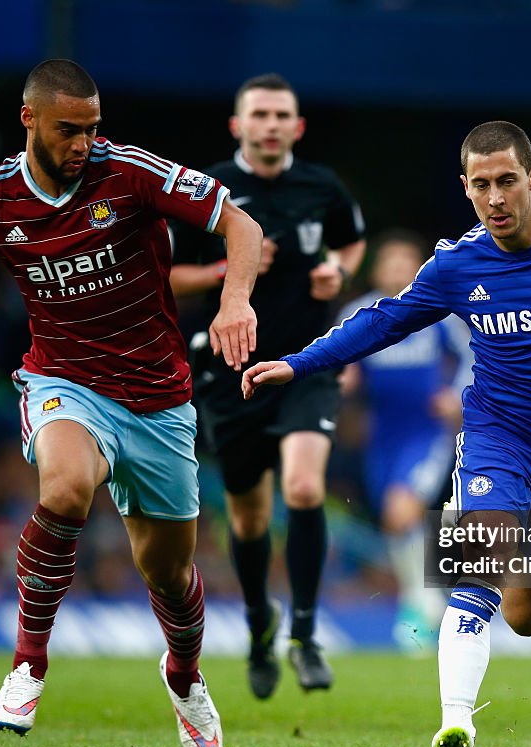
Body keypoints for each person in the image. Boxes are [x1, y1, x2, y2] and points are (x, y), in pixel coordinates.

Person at [242, 121, 531, 747]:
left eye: (507, 181)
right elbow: (385, 319)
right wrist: (300, 364)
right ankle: (455, 726)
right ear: (466, 188)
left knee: (528, 613)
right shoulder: (457, 263)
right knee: (482, 557)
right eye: (481, 185)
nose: (496, 197)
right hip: (496, 435)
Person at [0, 59, 262, 747]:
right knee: (64, 490)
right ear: (28, 119)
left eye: (91, 129)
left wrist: (236, 298)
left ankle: (183, 677)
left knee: (170, 574)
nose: (83, 143)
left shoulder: (130, 174)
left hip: (158, 397)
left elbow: (239, 222)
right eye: (67, 130)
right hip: (64, 381)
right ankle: (29, 661)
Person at [170, 73, 365, 698]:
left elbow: (352, 242)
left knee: (305, 487)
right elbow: (165, 275)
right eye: (260, 114)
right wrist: (229, 269)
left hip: (308, 362)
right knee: (250, 519)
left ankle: (305, 634)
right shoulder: (205, 191)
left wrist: (338, 268)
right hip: (230, 370)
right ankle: (260, 623)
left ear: (298, 127)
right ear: (238, 126)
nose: (272, 124)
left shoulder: (322, 186)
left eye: (283, 114)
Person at [335, 230, 473, 652]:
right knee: (396, 523)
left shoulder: (438, 312)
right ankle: (424, 602)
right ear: (377, 269)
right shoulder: (359, 312)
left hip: (427, 433)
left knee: (402, 509)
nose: (397, 270)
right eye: (389, 262)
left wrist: (458, 395)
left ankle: (420, 605)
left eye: (405, 261)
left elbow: (476, 354)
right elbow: (341, 360)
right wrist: (345, 379)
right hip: (383, 436)